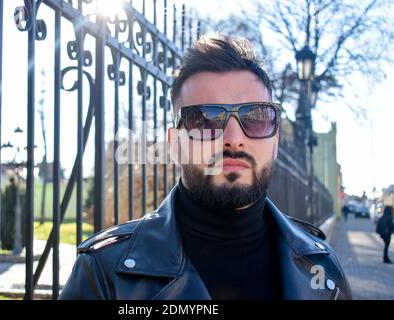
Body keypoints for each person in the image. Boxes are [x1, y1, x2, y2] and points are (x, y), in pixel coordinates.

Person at [59, 33, 351, 300]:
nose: (234, 140)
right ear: (175, 145)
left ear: (274, 143)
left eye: (256, 117)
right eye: (205, 119)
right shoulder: (104, 273)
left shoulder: (322, 267)